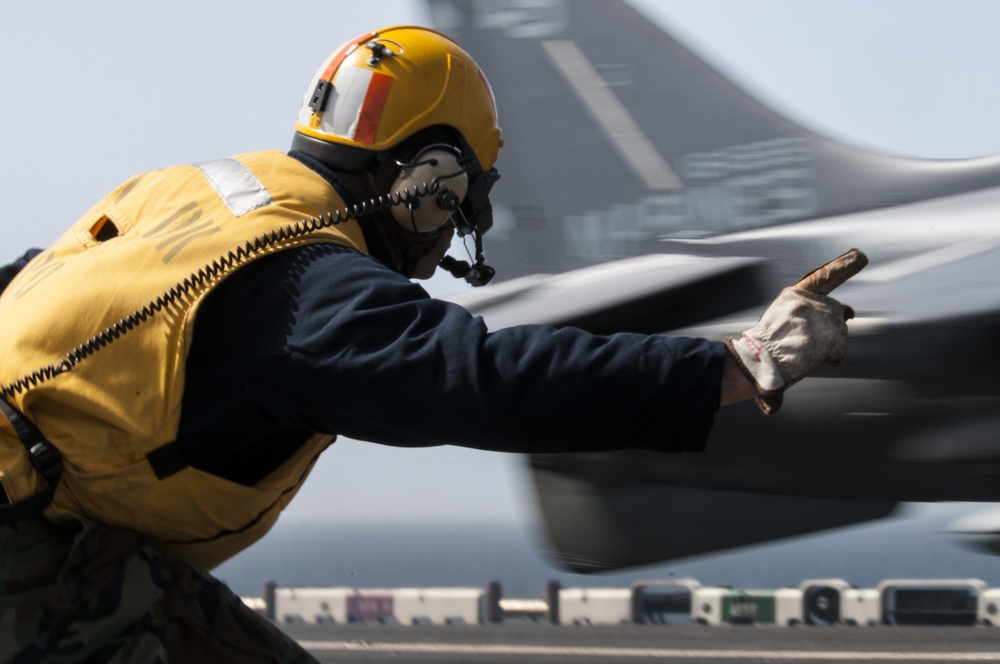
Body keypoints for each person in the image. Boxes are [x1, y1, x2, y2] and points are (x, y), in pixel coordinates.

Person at [0, 26, 859, 663]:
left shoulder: (189, 194)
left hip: (73, 528)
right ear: (427, 180)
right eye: (458, 208)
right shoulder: (306, 285)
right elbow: (482, 381)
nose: (445, 246)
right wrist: (736, 365)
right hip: (30, 552)